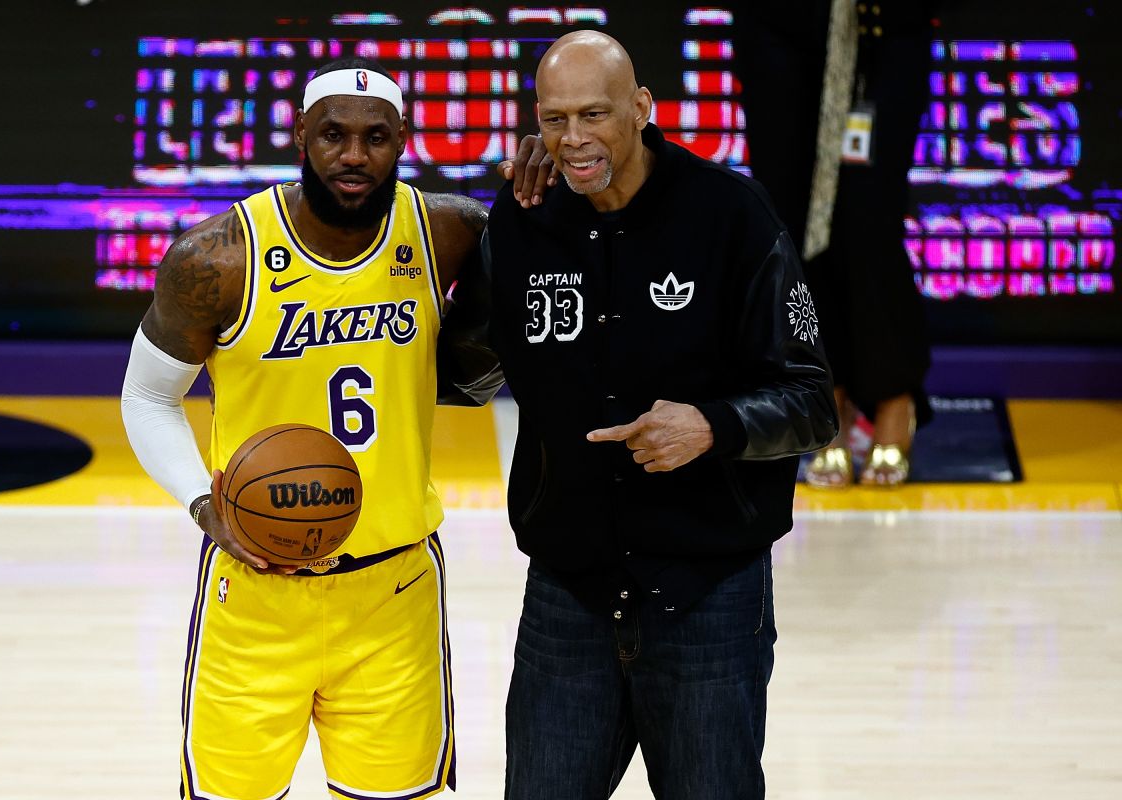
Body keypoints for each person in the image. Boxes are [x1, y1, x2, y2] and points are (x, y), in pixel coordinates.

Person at [120, 58, 495, 800]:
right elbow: (146, 399)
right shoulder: (218, 257)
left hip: (394, 589)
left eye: (375, 137)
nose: (353, 156)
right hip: (257, 589)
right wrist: (205, 504)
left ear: (404, 140)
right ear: (300, 135)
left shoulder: (448, 232)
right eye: (332, 135)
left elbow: (554, 229)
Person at [481, 30, 838, 800]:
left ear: (643, 107)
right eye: (553, 119)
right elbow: (465, 364)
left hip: (707, 593)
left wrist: (715, 425)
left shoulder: (730, 215)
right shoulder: (522, 219)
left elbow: (812, 403)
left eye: (594, 114)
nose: (573, 140)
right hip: (568, 593)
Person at [734, 0, 936, 486]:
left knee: (869, 217)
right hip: (780, 28)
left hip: (880, 27)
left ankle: (893, 394)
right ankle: (826, 394)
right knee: (793, 219)